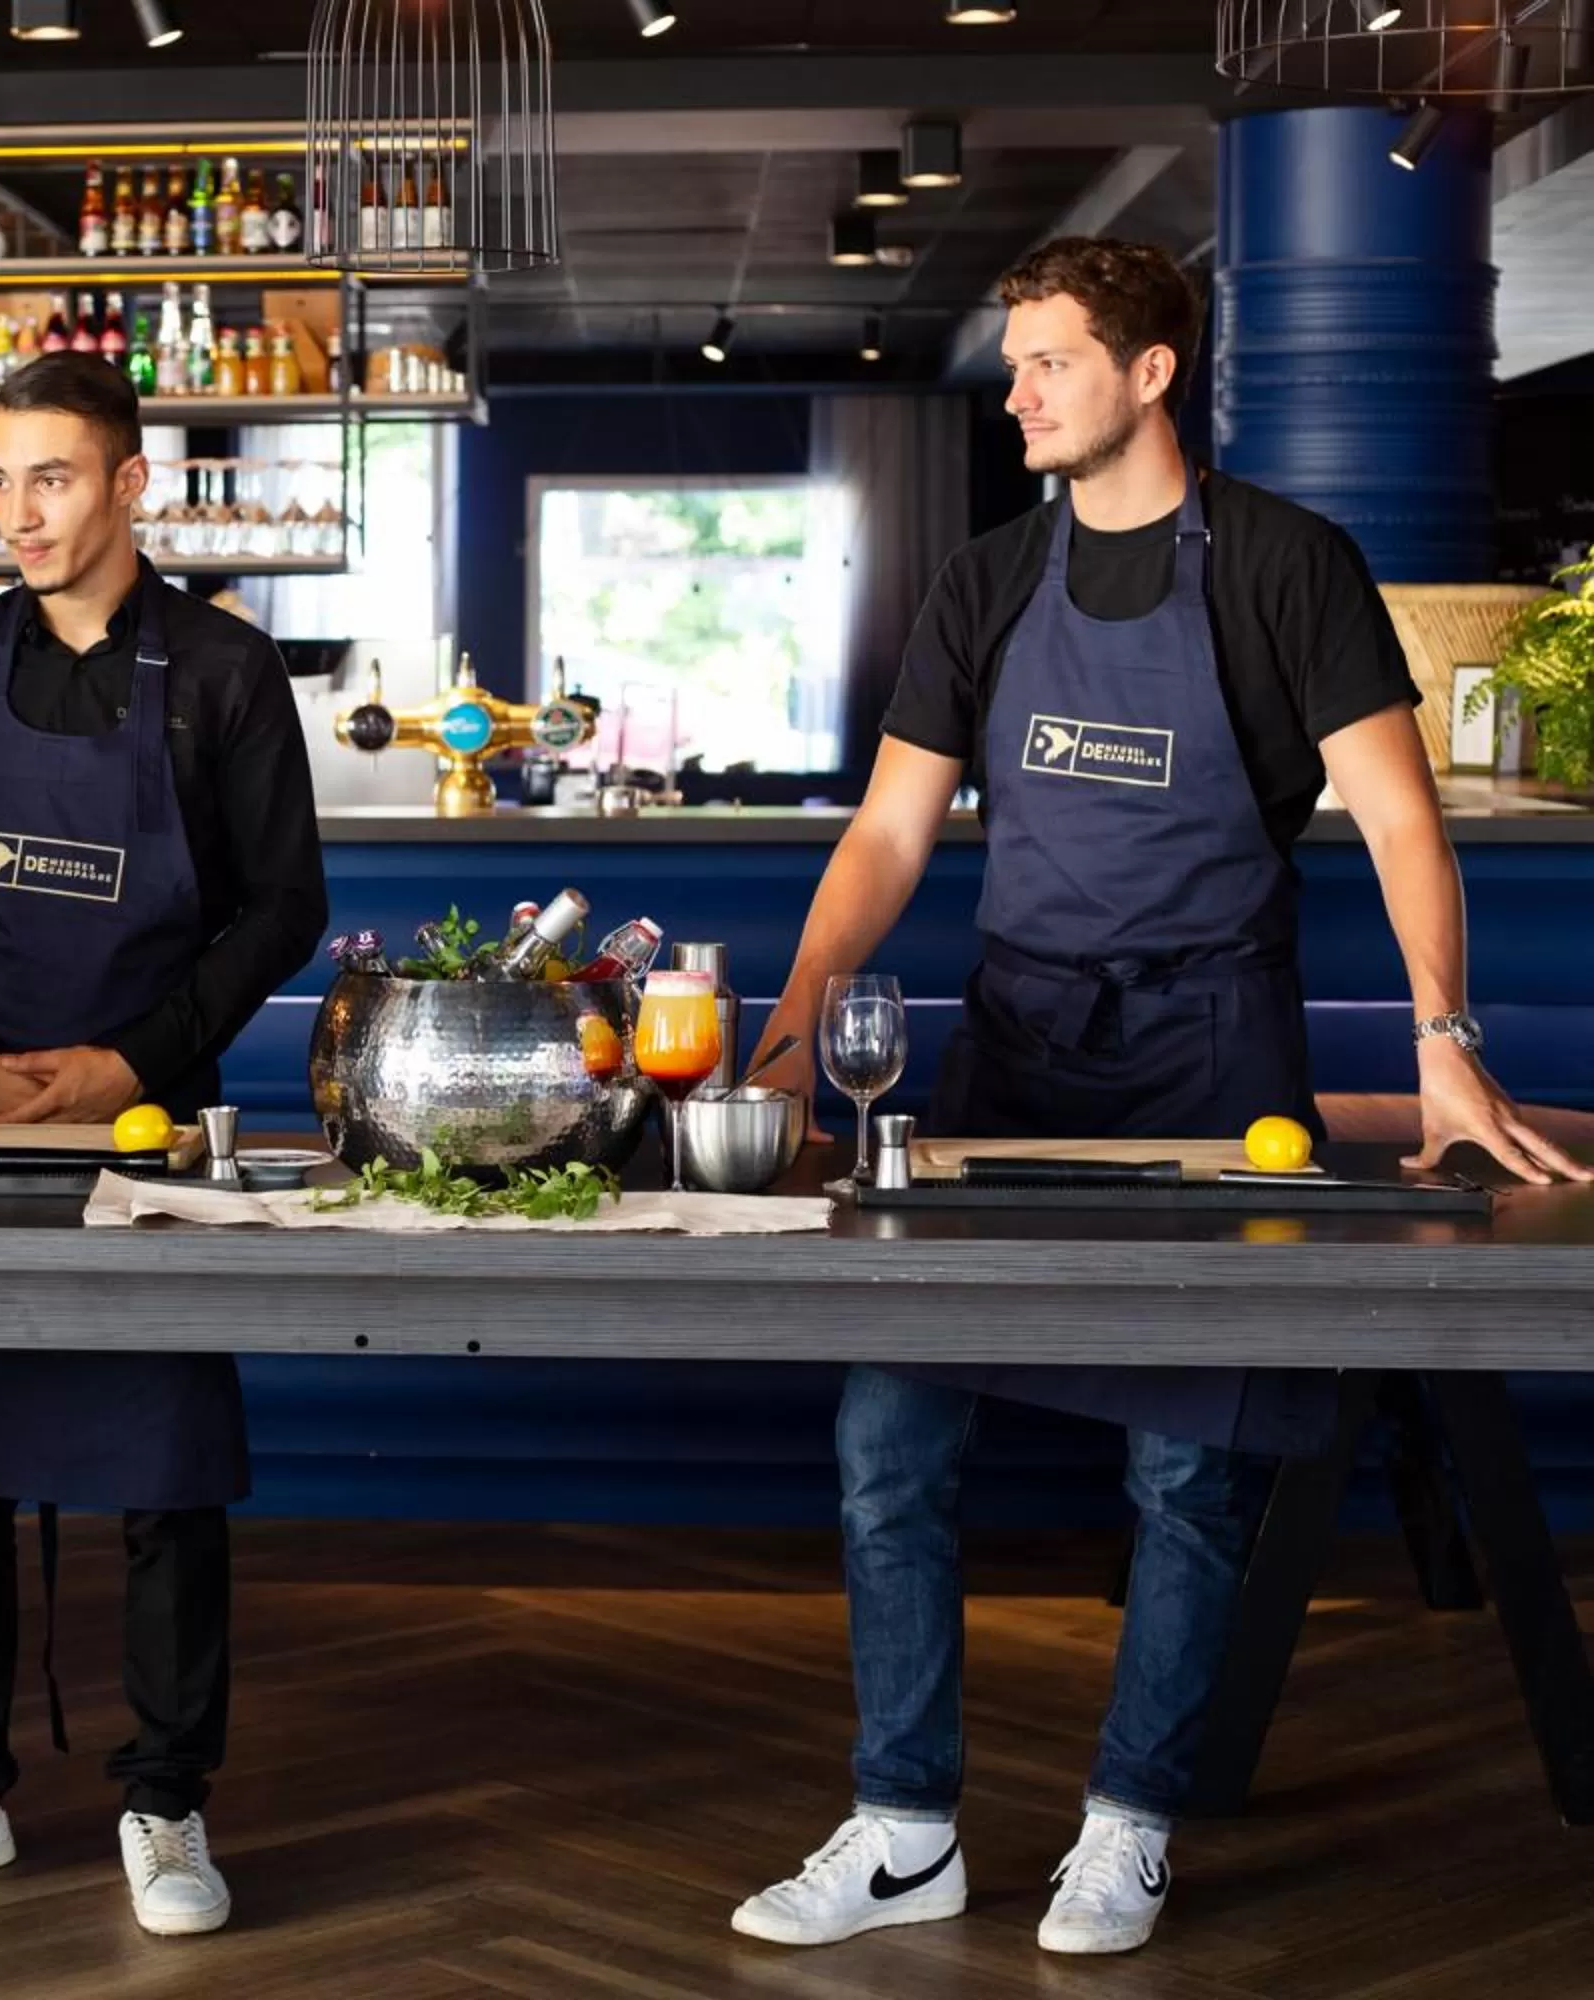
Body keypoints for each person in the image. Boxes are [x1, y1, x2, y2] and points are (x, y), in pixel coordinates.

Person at [729, 238, 1588, 1959]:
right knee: (887, 1439)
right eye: (1019, 360)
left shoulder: (1286, 567)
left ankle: (1127, 1826)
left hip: (1212, 1055)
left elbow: (1400, 817)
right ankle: (905, 1826)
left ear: (1150, 375)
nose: (1024, 390)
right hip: (1018, 1055)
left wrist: (1443, 1029)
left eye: (1052, 361)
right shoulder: (986, 582)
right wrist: (796, 1017)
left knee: (1188, 1477)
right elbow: (896, 831)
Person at [0, 352, 326, 1937]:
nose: (18, 513)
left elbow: (285, 908)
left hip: (152, 1118)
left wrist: (131, 1060)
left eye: (52, 477)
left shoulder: (227, 671)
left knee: (166, 1466)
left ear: (132, 485)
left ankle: (169, 1802)